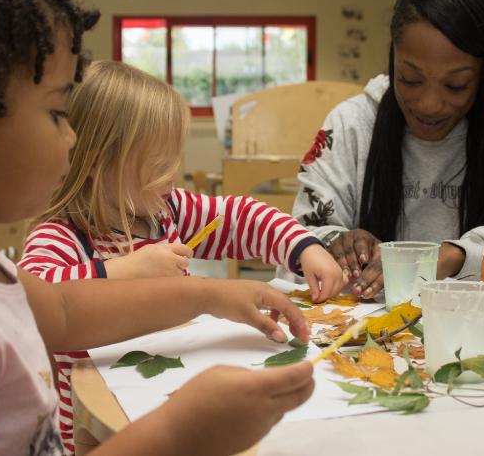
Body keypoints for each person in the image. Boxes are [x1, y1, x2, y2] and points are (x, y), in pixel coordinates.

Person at [0, 0, 315, 456]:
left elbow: (64, 310)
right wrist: (182, 431)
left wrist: (213, 294)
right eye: (58, 112)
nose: (72, 139)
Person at [18, 59, 344, 451]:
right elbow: (32, 300)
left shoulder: (164, 209)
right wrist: (120, 270)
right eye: (158, 165)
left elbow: (239, 218)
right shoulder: (62, 235)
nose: (173, 177)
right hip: (99, 429)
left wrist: (303, 247)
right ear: (96, 162)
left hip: (172, 398)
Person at [284, 0, 484, 299]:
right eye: (410, 79)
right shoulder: (351, 126)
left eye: (456, 85)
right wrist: (333, 244)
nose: (429, 104)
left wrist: (455, 256)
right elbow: (293, 243)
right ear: (392, 59)